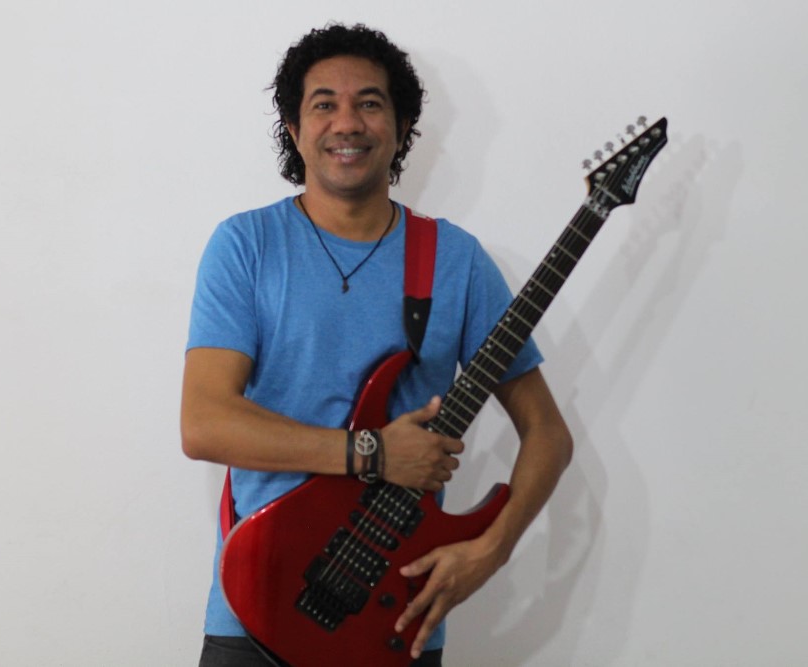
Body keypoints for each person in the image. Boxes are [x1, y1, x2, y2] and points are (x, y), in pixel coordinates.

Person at [181, 23, 573, 667]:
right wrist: (372, 453)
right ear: (293, 128)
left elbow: (548, 433)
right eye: (324, 104)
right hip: (255, 609)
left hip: (392, 616)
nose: (347, 123)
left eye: (369, 102)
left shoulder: (455, 260)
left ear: (401, 125)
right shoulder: (246, 246)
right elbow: (204, 424)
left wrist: (491, 551)